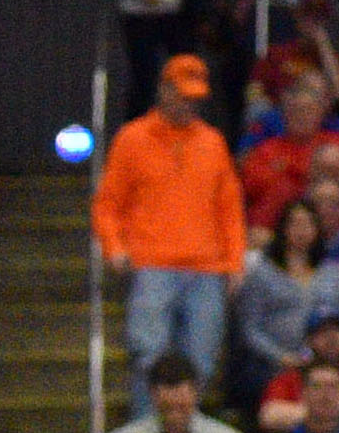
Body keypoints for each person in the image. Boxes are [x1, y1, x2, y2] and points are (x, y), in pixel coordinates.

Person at [94, 56, 248, 385]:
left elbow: (230, 210)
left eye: (195, 97)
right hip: (151, 265)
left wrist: (235, 261)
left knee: (202, 366)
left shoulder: (213, 142)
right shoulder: (131, 138)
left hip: (207, 268)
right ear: (163, 90)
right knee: (148, 360)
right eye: (183, 94)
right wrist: (113, 248)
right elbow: (108, 203)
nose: (190, 103)